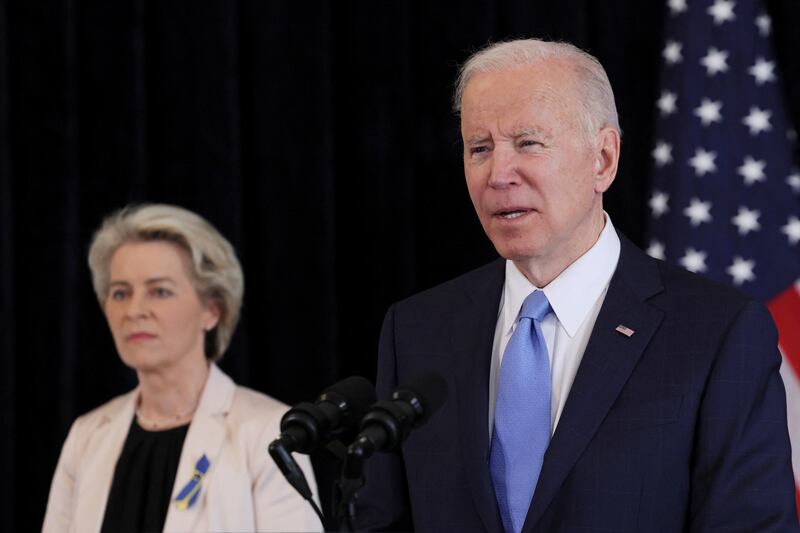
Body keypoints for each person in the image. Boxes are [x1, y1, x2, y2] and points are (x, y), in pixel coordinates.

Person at [354, 39, 799, 532]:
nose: (498, 174)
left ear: (603, 159)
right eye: (479, 148)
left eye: (528, 143)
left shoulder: (717, 333)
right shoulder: (417, 331)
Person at [42, 204, 321, 533]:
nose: (134, 310)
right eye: (120, 293)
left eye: (159, 291)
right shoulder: (87, 435)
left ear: (212, 311)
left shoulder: (267, 432)